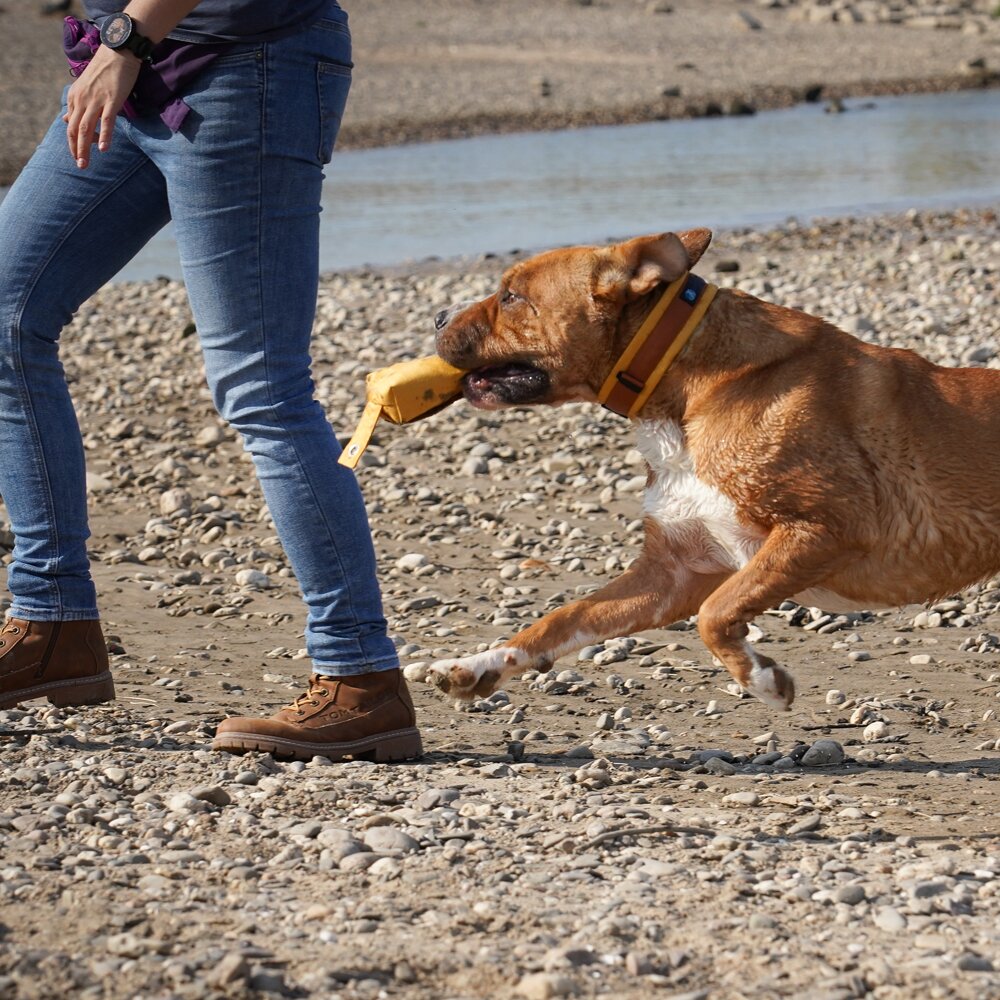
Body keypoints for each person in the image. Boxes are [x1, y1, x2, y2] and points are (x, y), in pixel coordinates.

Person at [0, 0, 422, 763]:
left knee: (263, 387)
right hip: (130, 65)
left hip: (241, 65)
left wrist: (126, 38)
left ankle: (361, 679)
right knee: (6, 318)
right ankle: (51, 625)